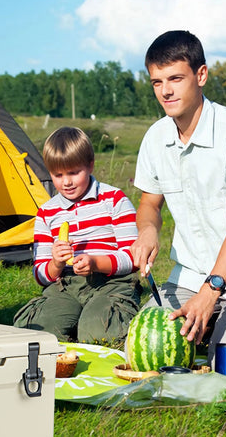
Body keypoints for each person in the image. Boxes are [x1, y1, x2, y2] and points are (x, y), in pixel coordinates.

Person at [131, 30, 226, 369]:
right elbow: (149, 205)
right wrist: (147, 230)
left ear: (201, 75)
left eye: (175, 78)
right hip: (188, 275)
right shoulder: (155, 138)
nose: (166, 91)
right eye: (157, 82)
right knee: (150, 353)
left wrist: (210, 290)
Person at [14, 127, 142, 343]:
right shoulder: (47, 213)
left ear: (90, 165)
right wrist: (55, 263)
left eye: (74, 173)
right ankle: (71, 326)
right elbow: (40, 274)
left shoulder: (115, 200)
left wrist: (96, 262)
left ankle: (91, 325)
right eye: (58, 175)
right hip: (65, 285)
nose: (67, 182)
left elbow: (132, 257)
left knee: (98, 332)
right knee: (37, 332)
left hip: (109, 282)